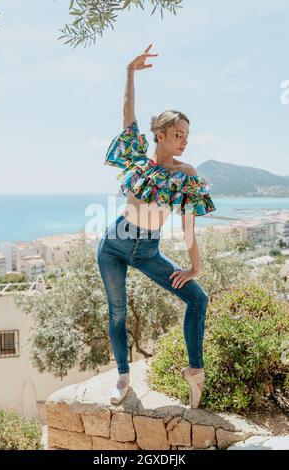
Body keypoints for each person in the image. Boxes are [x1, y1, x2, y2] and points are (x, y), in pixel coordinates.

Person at [97, 44, 217, 408]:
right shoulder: (137, 158)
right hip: (115, 245)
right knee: (117, 312)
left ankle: (194, 372)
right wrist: (129, 71)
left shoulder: (186, 174)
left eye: (187, 135)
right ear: (160, 134)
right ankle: (122, 375)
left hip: (147, 250)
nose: (184, 140)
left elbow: (189, 226)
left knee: (198, 298)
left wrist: (194, 266)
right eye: (178, 134)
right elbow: (127, 113)